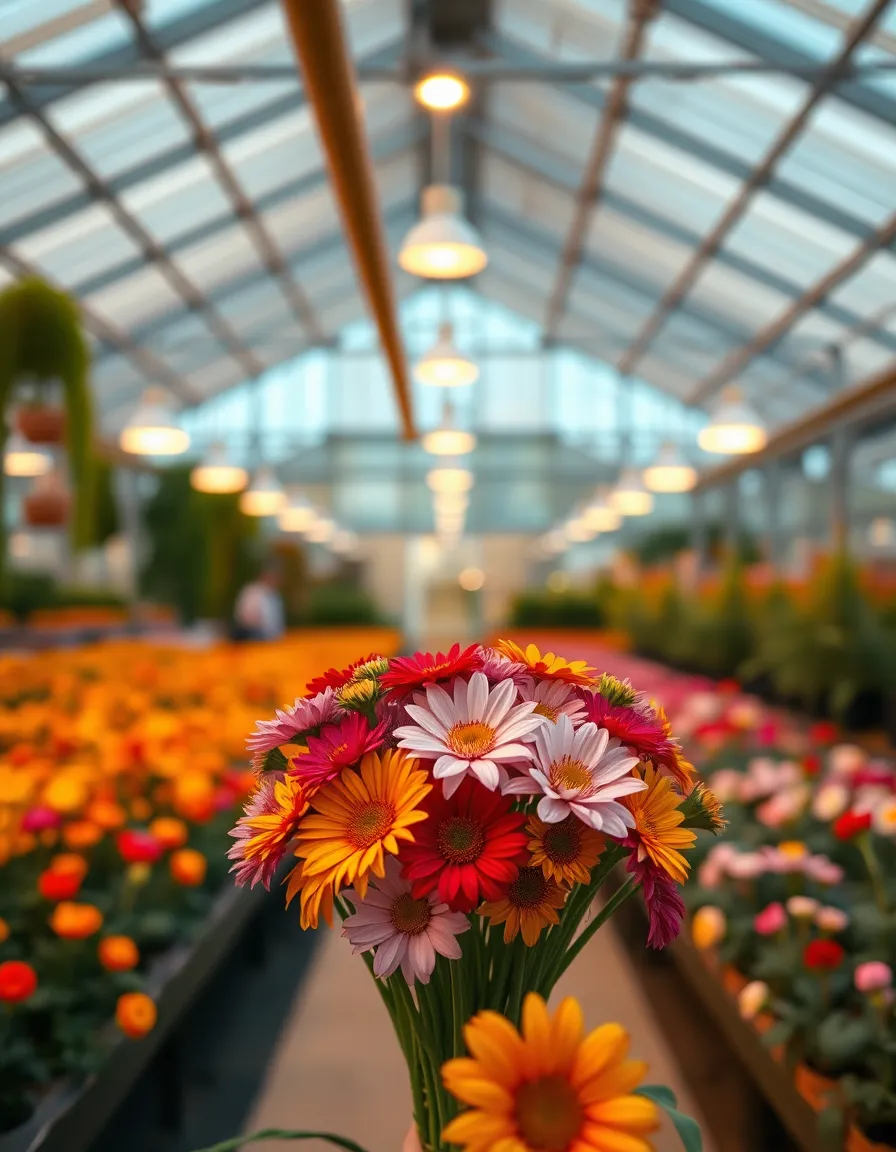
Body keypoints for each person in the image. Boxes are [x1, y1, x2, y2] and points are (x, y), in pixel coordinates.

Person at [231, 564, 285, 642]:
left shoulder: (274, 596)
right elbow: (243, 616)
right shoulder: (252, 592)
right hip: (251, 634)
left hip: (266, 636)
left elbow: (275, 624)